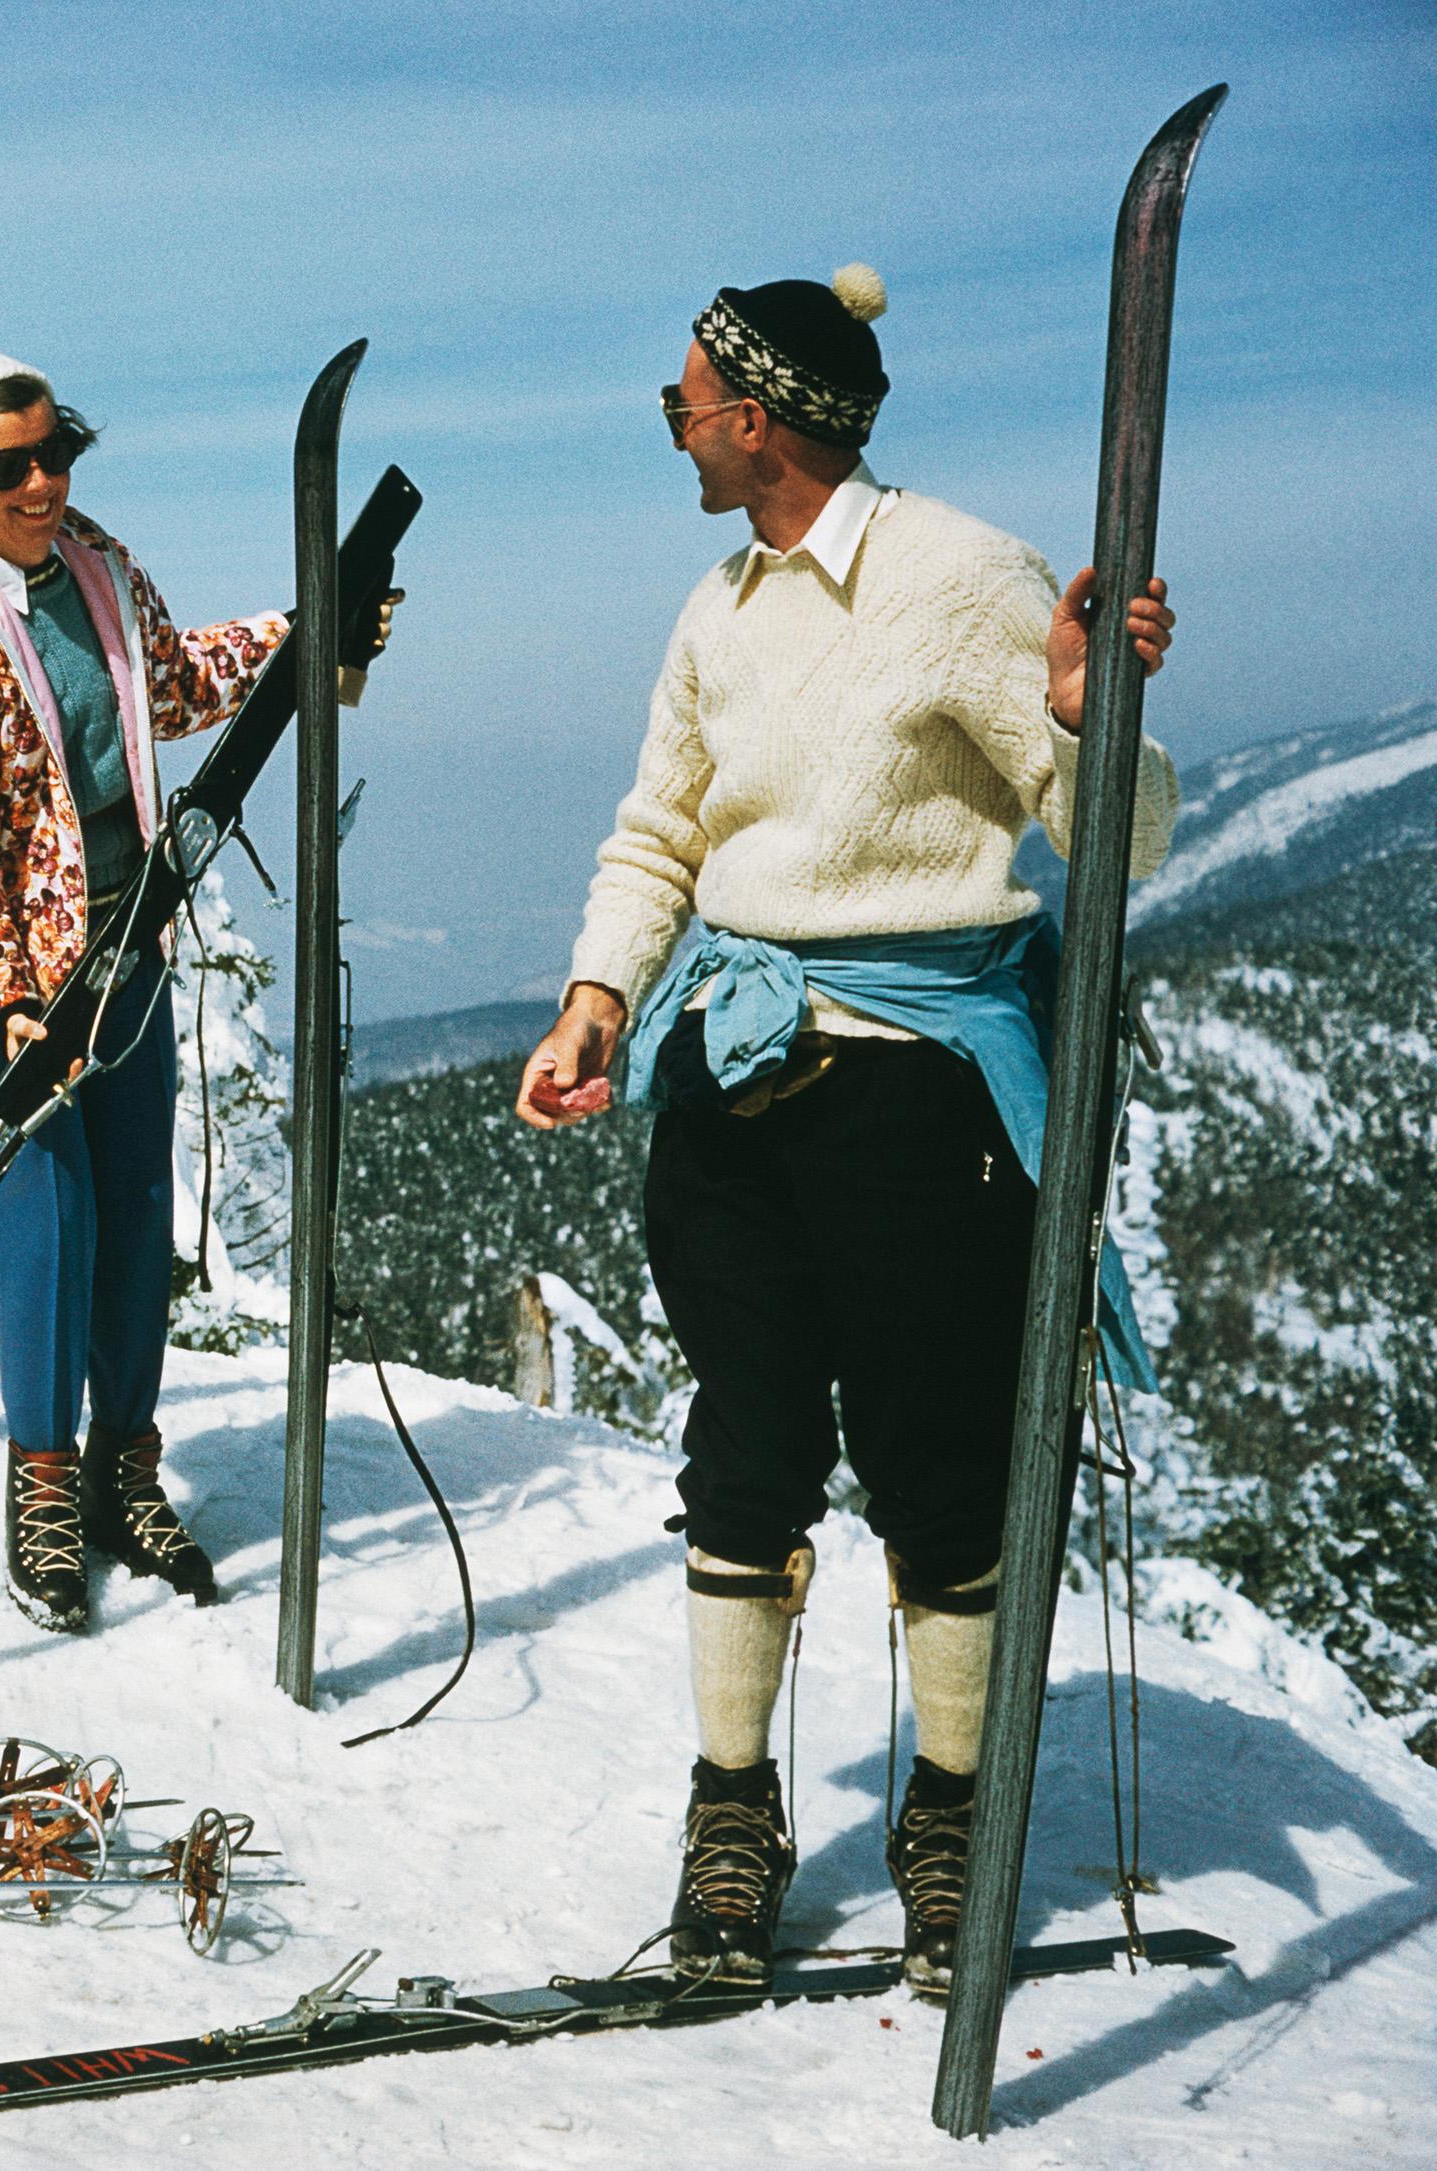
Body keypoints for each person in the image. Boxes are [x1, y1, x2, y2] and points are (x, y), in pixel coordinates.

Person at [513, 265, 1180, 1990]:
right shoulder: (720, 608)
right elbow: (661, 831)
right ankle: (730, 1807)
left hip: (914, 1091)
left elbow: (1117, 840)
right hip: (727, 1085)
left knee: (938, 1467)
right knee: (744, 1449)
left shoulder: (959, 577)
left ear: (758, 415)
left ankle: (946, 1817)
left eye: (683, 408)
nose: (675, 433)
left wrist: (1096, 712)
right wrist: (598, 998)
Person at [0, 333, 384, 1635]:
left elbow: (170, 680)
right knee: (48, 1212)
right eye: (5, 466)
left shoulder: (96, 569)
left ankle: (123, 1467)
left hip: (123, 937)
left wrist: (304, 629)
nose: (38, 482)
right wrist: (2, 1004)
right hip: (2, 977)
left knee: (140, 1204)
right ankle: (41, 1483)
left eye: (56, 451)